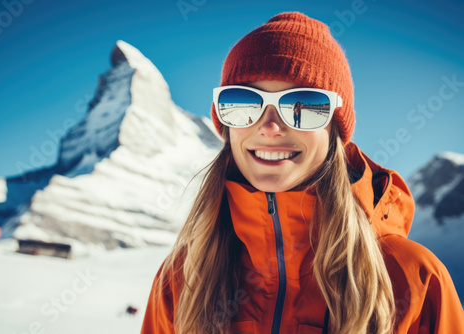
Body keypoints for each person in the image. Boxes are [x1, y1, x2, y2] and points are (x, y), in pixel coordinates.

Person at [141, 12, 464, 333]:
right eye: (243, 103)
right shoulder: (182, 280)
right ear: (226, 124)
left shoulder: (413, 278)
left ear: (335, 131)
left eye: (304, 106)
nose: (269, 126)